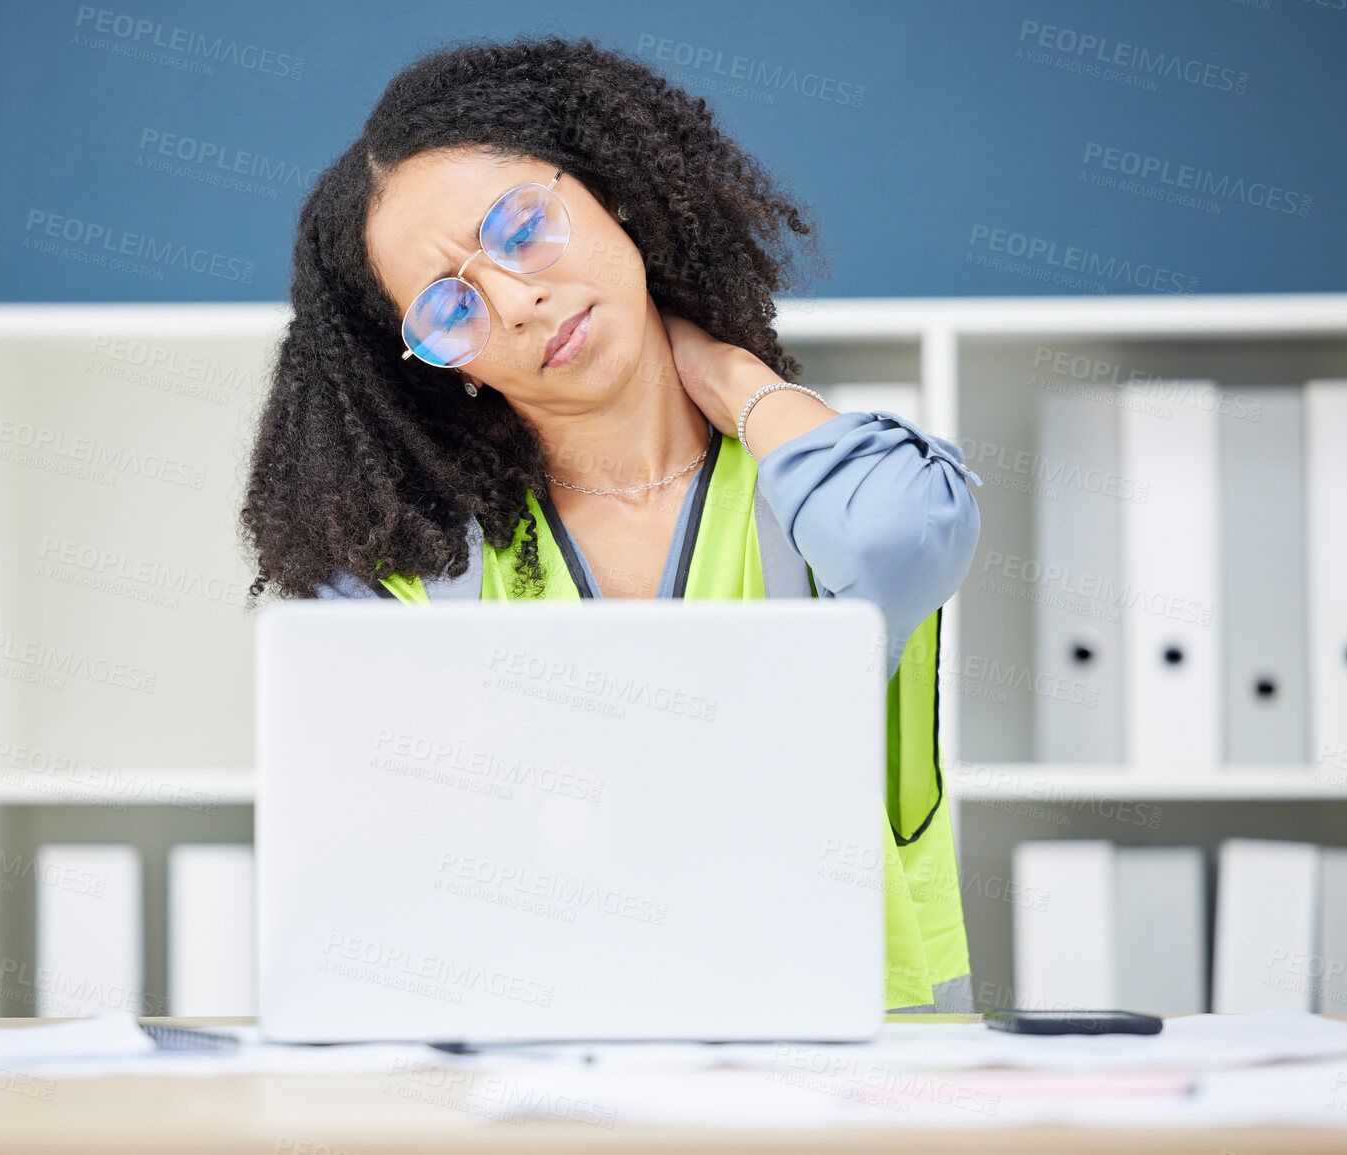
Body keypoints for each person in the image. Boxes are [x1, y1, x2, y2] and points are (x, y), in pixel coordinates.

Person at [238, 35, 984, 1012]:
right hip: (516, 1050)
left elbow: (905, 539)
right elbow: (364, 872)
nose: (517, 300)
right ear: (449, 363)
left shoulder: (811, 485)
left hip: (845, 1050)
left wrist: (734, 377)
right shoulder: (413, 568)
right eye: (449, 306)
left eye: (518, 227)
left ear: (611, 191)